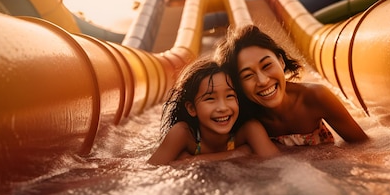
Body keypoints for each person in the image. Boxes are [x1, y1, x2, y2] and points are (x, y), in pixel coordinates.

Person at [215, 24, 368, 146]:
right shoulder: (244, 117)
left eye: (267, 65)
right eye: (247, 75)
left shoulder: (315, 97)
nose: (263, 81)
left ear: (281, 61)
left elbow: (363, 146)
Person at [148, 57, 280, 165]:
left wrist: (191, 160)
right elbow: (151, 171)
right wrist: (241, 153)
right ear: (192, 108)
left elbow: (279, 164)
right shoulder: (184, 133)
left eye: (229, 96)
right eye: (210, 99)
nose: (222, 107)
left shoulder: (249, 130)